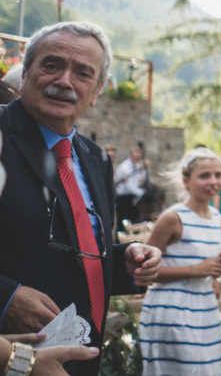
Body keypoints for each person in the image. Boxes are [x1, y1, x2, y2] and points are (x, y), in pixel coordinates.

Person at [0, 21, 162, 376]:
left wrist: (127, 261)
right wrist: (6, 297)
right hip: (14, 356)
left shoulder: (96, 159)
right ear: (25, 72)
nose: (65, 81)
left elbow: (75, 250)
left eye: (83, 73)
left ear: (98, 90)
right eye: (52, 65)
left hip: (79, 360)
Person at [138, 147, 221, 375]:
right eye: (204, 176)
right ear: (186, 180)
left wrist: (218, 266)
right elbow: (144, 270)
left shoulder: (218, 219)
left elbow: (204, 267)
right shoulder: (173, 218)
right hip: (172, 309)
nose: (213, 181)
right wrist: (195, 269)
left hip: (205, 308)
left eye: (217, 175)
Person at [113, 145, 148, 230]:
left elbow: (141, 180)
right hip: (123, 197)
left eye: (138, 157)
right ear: (131, 155)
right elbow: (129, 186)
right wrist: (142, 193)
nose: (136, 159)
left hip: (133, 196)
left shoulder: (138, 166)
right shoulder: (124, 167)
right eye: (135, 157)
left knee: (134, 220)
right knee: (122, 222)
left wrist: (145, 169)